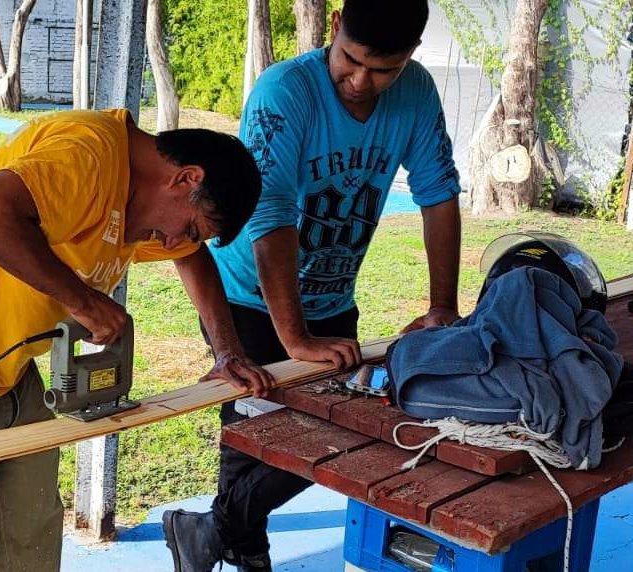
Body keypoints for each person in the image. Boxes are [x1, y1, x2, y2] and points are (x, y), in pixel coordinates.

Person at [0, 108, 274, 572]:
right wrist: (84, 301)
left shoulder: (140, 195)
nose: (172, 243)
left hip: (5, 371)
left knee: (25, 540)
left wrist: (228, 350)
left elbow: (194, 260)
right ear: (185, 178)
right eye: (189, 228)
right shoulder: (89, 153)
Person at [162, 1, 462, 570]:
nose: (360, 81)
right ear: (333, 30)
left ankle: (214, 530)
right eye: (350, 60)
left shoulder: (418, 92)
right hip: (248, 297)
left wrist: (442, 304)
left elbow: (438, 192)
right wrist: (294, 338)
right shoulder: (285, 91)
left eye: (383, 70)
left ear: (410, 58)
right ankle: (246, 548)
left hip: (332, 297)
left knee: (341, 433)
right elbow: (270, 216)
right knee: (255, 428)